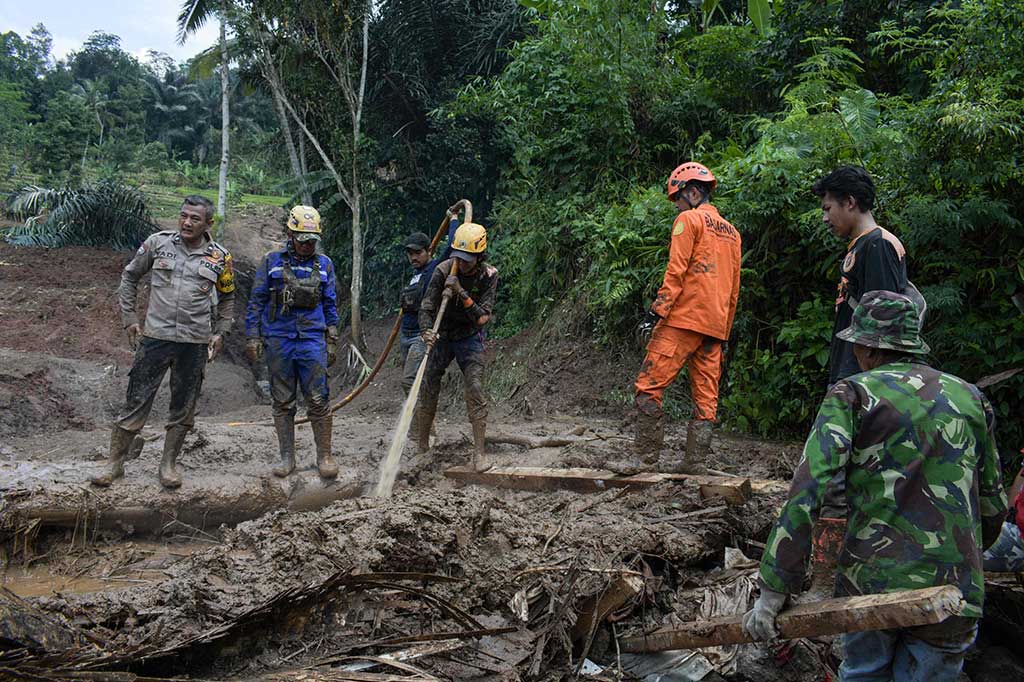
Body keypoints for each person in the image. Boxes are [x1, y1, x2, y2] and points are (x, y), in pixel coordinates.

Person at [743, 291, 1006, 682]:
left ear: (866, 347)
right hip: (955, 591)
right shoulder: (970, 397)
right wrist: (959, 561)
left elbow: (807, 492)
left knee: (865, 673)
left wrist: (774, 589)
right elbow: (992, 503)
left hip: (872, 588)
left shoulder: (854, 394)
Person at [91, 195, 235, 489]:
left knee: (183, 407)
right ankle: (114, 464)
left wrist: (221, 332)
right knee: (136, 401)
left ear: (208, 223)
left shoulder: (220, 257)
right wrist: (130, 318)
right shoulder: (158, 243)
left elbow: (229, 297)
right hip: (155, 339)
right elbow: (130, 276)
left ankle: (168, 464)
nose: (186, 222)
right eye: (183, 216)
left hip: (194, 343)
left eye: (195, 219)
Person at [632, 161, 741, 473]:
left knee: (649, 386)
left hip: (683, 319)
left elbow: (676, 271)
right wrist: (725, 331)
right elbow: (734, 290)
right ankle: (695, 462)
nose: (677, 207)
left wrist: (656, 313)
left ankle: (644, 458)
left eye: (678, 200)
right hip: (715, 327)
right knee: (706, 400)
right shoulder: (732, 233)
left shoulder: (688, 221)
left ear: (693, 193)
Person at [244, 206, 340, 479]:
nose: (308, 245)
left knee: (319, 399)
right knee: (283, 401)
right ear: (290, 233)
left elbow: (331, 304)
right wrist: (253, 336)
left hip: (311, 339)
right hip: (279, 339)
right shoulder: (271, 261)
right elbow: (257, 301)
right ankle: (287, 458)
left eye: (312, 241)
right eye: (302, 239)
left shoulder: (325, 265)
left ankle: (325, 455)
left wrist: (332, 339)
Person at [813, 166, 912, 387]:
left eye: (827, 209)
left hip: (864, 378)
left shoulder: (878, 244)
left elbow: (883, 324)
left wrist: (873, 382)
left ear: (849, 202)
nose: (825, 218)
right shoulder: (861, 245)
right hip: (851, 372)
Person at [416, 222, 498, 472]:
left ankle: (480, 452)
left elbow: (483, 317)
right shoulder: (442, 270)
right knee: (428, 384)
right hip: (442, 335)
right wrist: (426, 332)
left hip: (469, 336)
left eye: (467, 260)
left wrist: (460, 291)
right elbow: (426, 308)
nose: (461, 264)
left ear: (479, 256)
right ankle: (421, 446)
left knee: (474, 387)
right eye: (458, 258)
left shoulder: (489, 275)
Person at [398, 218, 455, 393]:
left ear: (428, 251)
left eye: (417, 253)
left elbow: (452, 245)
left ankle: (418, 418)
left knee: (409, 381)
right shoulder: (414, 275)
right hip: (405, 335)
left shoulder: (435, 269)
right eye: (410, 253)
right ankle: (423, 420)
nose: (413, 257)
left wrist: (453, 219)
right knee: (412, 384)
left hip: (421, 335)